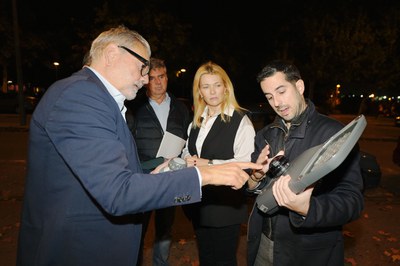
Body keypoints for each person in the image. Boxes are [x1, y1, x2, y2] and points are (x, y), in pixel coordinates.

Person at [16, 25, 261, 266]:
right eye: (143, 67)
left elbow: (112, 172)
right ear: (112, 54)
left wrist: (158, 169)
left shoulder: (98, 99)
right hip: (78, 251)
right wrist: (202, 175)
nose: (146, 79)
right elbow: (118, 191)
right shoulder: (80, 97)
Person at [246, 60, 364, 265]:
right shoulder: (265, 135)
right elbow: (254, 188)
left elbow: (352, 201)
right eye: (270, 97)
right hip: (263, 244)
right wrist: (255, 179)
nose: (277, 102)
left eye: (281, 91)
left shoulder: (333, 133)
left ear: (299, 86)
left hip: (308, 252)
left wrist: (307, 208)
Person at [181, 61, 256, 265]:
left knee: (223, 261)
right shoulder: (197, 120)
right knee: (206, 257)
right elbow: (189, 149)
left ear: (226, 87)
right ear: (200, 92)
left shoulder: (241, 120)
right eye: (206, 86)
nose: (212, 91)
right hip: (200, 203)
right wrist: (187, 157)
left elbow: (246, 164)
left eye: (217, 85)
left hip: (226, 207)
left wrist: (209, 162)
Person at [127, 58, 191, 265]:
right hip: (142, 178)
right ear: (145, 81)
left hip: (169, 178)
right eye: (152, 78)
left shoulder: (181, 109)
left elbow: (189, 139)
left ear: (167, 77)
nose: (157, 82)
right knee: (138, 228)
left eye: (161, 76)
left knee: (165, 229)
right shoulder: (134, 106)